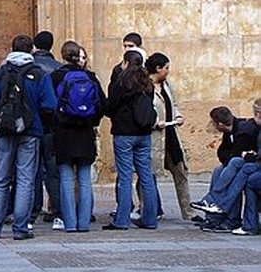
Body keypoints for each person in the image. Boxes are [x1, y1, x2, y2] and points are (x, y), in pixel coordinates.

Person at [0, 33, 56, 241]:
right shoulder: (39, 75)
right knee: (25, 180)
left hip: (3, 132)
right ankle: (21, 228)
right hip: (31, 132)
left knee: (1, 180)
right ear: (31, 50)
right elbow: (49, 105)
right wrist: (38, 122)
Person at [50, 40, 106, 233]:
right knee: (84, 178)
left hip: (63, 133)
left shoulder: (56, 77)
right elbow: (102, 105)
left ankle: (70, 223)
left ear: (63, 56)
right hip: (85, 133)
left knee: (65, 178)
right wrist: (91, 121)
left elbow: (49, 106)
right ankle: (84, 223)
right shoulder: (90, 77)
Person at [104, 50, 158, 231]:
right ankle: (150, 219)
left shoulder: (122, 82)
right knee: (146, 177)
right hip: (144, 133)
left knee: (125, 176)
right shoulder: (147, 83)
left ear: (126, 63)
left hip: (124, 133)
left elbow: (110, 106)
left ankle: (121, 220)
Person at [191, 102, 260, 232]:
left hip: (250, 164)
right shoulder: (231, 131)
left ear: (220, 124)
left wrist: (240, 155)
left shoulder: (245, 130)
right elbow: (222, 153)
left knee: (235, 168)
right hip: (246, 162)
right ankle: (214, 216)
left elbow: (236, 154)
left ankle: (222, 210)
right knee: (219, 170)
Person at [145, 52, 191, 219]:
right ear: (158, 69)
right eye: (166, 68)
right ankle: (149, 210)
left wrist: (177, 115)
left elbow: (174, 104)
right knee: (148, 174)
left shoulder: (166, 85)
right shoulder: (145, 86)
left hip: (170, 135)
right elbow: (143, 110)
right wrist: (154, 122)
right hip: (154, 137)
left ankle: (188, 211)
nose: (168, 71)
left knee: (181, 171)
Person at [31, 30, 63, 228]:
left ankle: (34, 209)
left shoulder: (29, 67)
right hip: (53, 126)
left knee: (32, 169)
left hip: (31, 126)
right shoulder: (59, 69)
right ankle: (57, 209)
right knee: (53, 170)